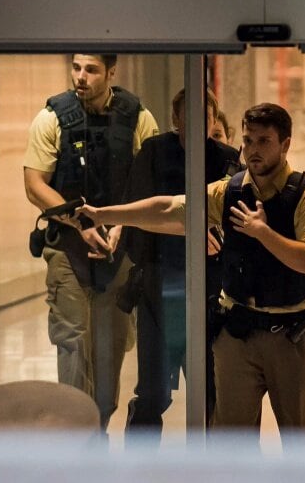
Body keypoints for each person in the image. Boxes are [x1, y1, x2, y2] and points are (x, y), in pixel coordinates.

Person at [81, 102, 305, 445]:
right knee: (228, 446)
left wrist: (263, 232)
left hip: (293, 336)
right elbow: (170, 208)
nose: (252, 150)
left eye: (264, 141)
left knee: (302, 446)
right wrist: (103, 215)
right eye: (248, 141)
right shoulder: (229, 191)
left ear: (285, 144)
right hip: (238, 334)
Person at [23, 54, 159, 431]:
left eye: (92, 70)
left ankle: (98, 427)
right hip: (68, 248)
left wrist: (120, 225)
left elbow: (149, 182)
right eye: (76, 68)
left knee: (112, 347)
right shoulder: (51, 118)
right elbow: (35, 184)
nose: (81, 77)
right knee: (73, 341)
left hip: (119, 250)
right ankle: (76, 436)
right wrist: (80, 222)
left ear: (112, 72)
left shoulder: (138, 118)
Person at [121, 88, 240, 443]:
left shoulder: (229, 160)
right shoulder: (154, 153)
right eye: (187, 116)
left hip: (211, 292)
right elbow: (137, 216)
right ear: (175, 120)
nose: (196, 124)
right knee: (154, 393)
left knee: (210, 391)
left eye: (204, 117)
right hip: (160, 288)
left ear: (214, 120)